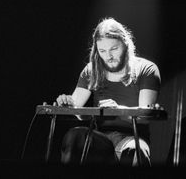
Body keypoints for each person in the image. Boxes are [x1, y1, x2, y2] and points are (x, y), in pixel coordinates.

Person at [56, 17, 161, 166]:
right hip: (100, 136)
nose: (108, 56)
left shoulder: (147, 69)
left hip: (131, 137)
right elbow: (78, 110)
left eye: (114, 49)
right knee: (75, 136)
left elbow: (144, 117)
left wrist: (119, 111)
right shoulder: (91, 70)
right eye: (102, 51)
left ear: (125, 45)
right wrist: (67, 103)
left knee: (134, 150)